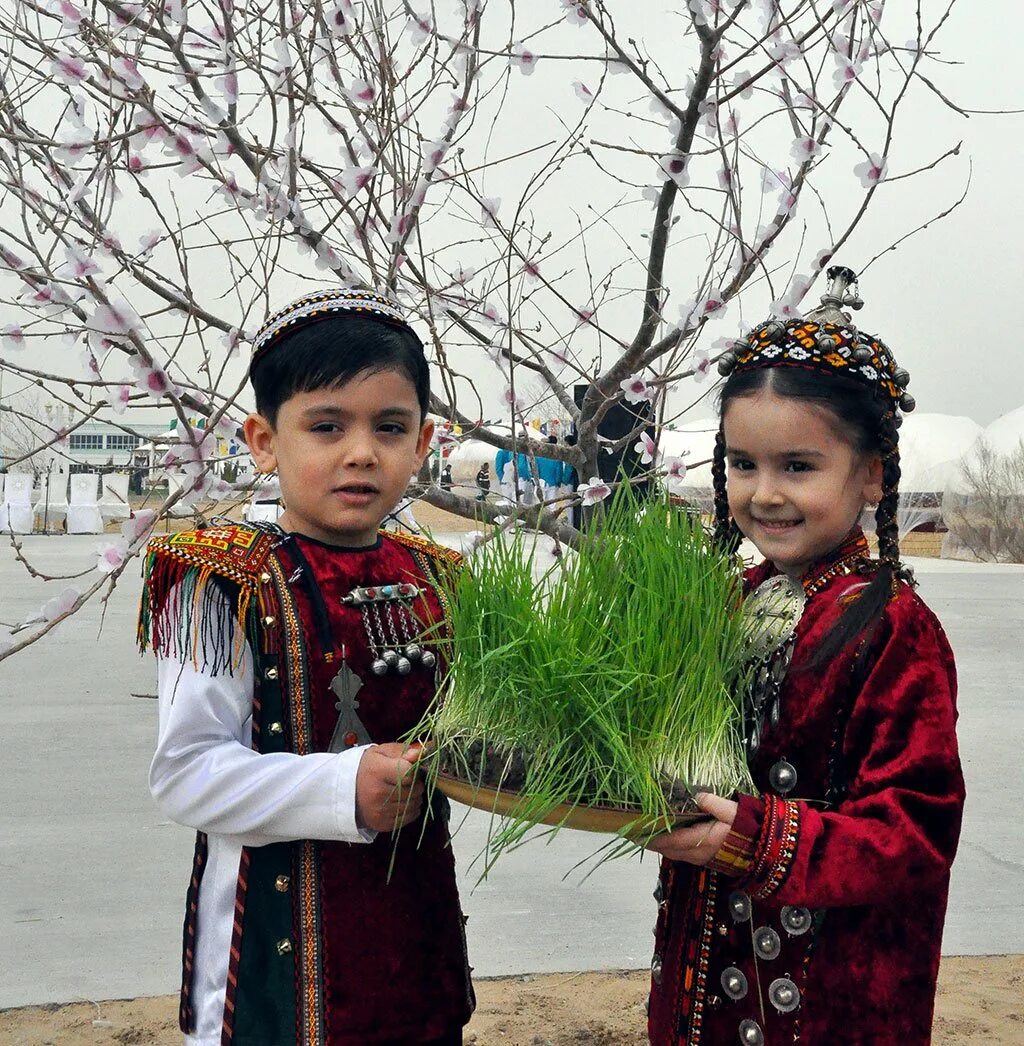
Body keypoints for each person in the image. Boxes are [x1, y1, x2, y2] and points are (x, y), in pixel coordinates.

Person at [140, 288, 475, 1046]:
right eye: (327, 426)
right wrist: (342, 787)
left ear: (422, 444)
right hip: (276, 961)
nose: (362, 452)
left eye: (390, 428)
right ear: (264, 441)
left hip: (415, 939)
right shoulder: (220, 579)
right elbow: (186, 772)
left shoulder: (441, 576)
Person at [645, 298, 964, 1045]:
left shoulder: (893, 627)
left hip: (828, 999)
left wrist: (765, 841)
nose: (765, 493)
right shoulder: (729, 603)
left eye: (798, 466)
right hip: (702, 977)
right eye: (743, 464)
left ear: (872, 476)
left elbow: (916, 831)